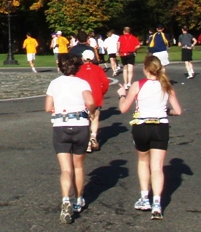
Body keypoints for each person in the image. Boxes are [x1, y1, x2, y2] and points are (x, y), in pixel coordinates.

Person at [116, 55, 182, 220]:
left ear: (146, 69)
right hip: (160, 126)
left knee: (143, 161)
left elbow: (123, 109)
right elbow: (178, 111)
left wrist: (122, 95)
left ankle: (145, 198)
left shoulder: (138, 85)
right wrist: (168, 112)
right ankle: (157, 203)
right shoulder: (166, 86)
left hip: (142, 126)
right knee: (157, 166)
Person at [44, 55, 94, 224]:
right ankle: (79, 199)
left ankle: (66, 199)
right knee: (78, 166)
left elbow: (47, 107)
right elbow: (90, 101)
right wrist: (91, 111)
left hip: (61, 126)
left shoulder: (54, 83)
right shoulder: (82, 83)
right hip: (80, 125)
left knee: (66, 169)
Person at [76, 49, 110, 152]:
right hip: (96, 96)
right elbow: (105, 83)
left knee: (85, 119)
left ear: (82, 58)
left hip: (83, 97)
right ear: (93, 58)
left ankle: (86, 141)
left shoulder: (78, 69)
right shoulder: (98, 69)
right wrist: (101, 92)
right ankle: (93, 136)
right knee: (95, 118)